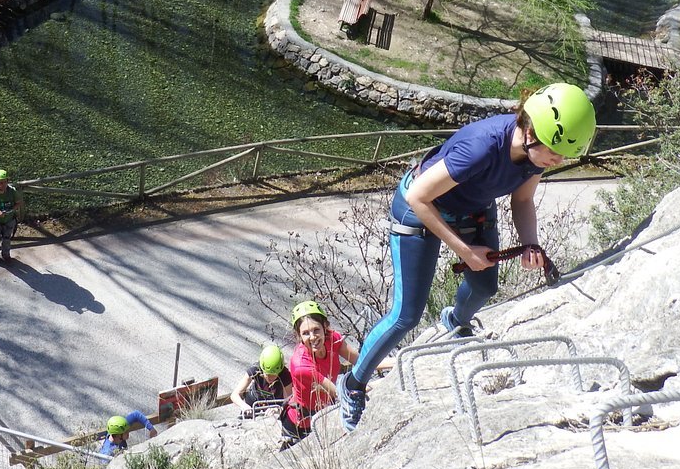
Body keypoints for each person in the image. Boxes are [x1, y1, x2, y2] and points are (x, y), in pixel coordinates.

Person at [337, 82, 596, 433]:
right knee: (406, 315)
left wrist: (530, 242)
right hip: (420, 210)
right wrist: (463, 249)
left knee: (485, 286)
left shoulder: (535, 154)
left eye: (564, 155)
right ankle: (353, 384)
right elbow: (418, 197)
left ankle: (454, 322)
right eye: (555, 151)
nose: (558, 161)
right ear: (531, 131)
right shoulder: (481, 148)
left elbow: (521, 201)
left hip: (472, 208)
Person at [281, 300, 359, 446]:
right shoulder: (300, 365)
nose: (312, 337)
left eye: (316, 330)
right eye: (305, 333)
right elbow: (338, 393)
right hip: (300, 425)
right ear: (299, 336)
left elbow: (362, 363)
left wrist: (397, 362)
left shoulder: (333, 339)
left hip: (324, 414)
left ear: (325, 327)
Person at [231, 344, 293, 418]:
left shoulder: (285, 375)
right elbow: (234, 395)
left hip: (275, 403)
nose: (270, 378)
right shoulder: (255, 370)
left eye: (274, 375)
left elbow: (289, 401)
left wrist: (278, 409)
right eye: (268, 374)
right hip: (254, 400)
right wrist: (243, 405)